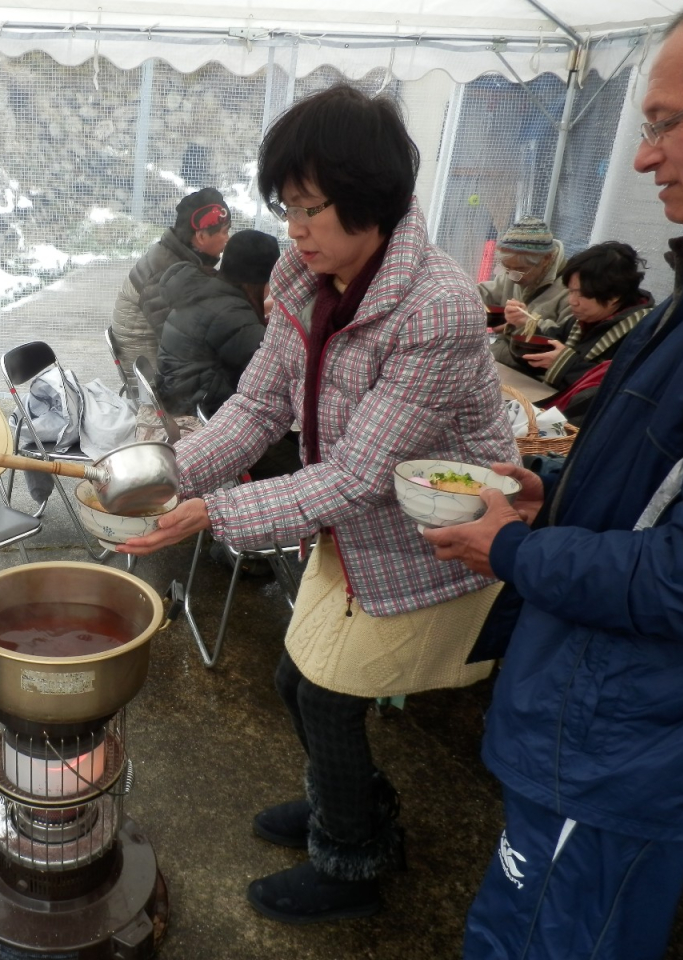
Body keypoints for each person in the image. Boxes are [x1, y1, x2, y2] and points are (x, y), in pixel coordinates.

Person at [119, 84, 517, 925]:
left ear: (372, 202)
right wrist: (171, 474)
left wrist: (213, 515)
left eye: (309, 207)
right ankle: (351, 804)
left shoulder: (437, 308)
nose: (292, 229)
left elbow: (361, 475)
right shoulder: (309, 273)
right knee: (295, 681)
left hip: (434, 536)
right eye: (287, 207)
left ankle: (353, 860)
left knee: (330, 696)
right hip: (355, 527)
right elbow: (258, 406)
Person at [424, 3, 683, 956]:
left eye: (664, 123)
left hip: (629, 732)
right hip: (601, 715)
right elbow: (667, 495)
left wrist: (513, 547)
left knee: (548, 938)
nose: (643, 159)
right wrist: (564, 501)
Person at [514, 241, 655, 425]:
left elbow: (621, 387)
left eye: (581, 294)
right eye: (571, 292)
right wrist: (525, 328)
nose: (572, 301)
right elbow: (551, 345)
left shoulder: (644, 333)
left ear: (614, 296)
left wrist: (566, 365)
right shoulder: (582, 321)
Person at [109, 187, 231, 381]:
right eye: (224, 232)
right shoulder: (166, 274)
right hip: (153, 381)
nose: (227, 239)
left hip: (155, 364)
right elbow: (183, 344)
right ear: (200, 237)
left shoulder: (175, 258)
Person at [156, 228, 280, 418]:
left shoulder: (209, 291)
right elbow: (270, 370)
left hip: (179, 396)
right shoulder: (231, 315)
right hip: (200, 410)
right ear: (261, 280)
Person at [480, 215, 572, 364]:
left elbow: (568, 338)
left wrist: (528, 323)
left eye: (519, 270)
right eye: (506, 268)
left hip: (535, 371)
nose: (511, 277)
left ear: (546, 259)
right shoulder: (513, 272)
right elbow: (487, 293)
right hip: (501, 358)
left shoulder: (570, 288)